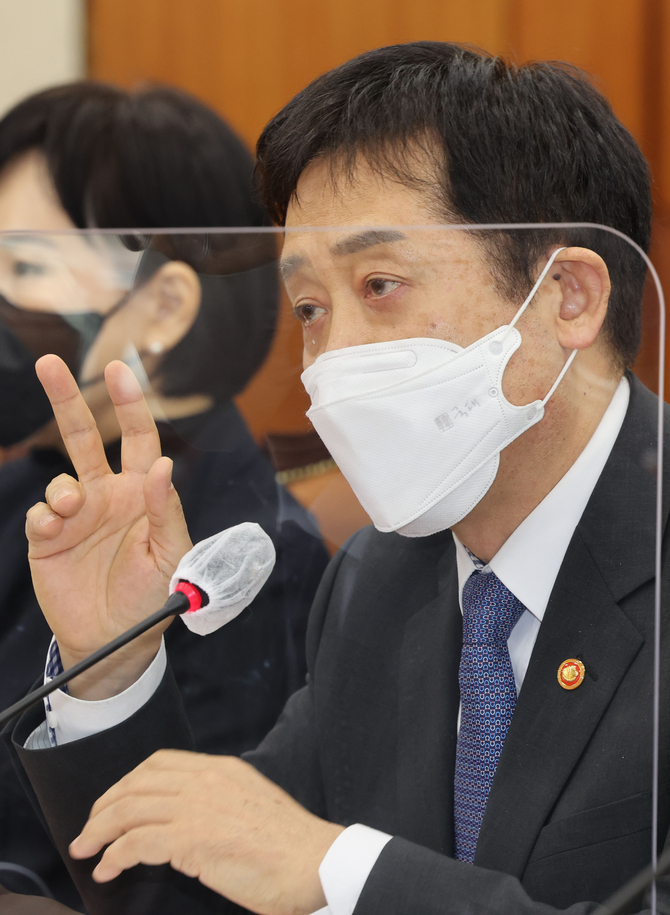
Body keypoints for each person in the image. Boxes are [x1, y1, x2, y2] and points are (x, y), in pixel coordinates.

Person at [6, 41, 669, 915]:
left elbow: (312, 863)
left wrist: (342, 869)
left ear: (568, 297)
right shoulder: (376, 583)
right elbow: (213, 889)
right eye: (312, 309)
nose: (332, 360)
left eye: (381, 284)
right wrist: (110, 671)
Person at [0, 82, 328, 908]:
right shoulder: (24, 484)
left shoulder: (248, 560)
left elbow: (191, 884)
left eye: (24, 266)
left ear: (164, 308)